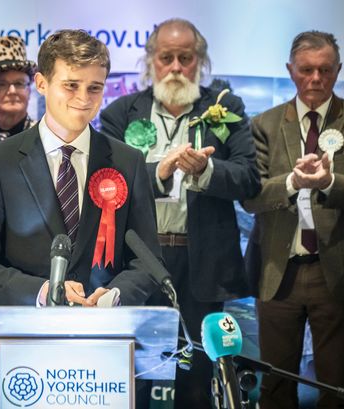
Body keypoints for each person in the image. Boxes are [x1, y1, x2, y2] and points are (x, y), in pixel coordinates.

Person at [0, 29, 164, 407]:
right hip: (24, 347)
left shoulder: (129, 162)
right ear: (41, 82)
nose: (84, 100)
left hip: (107, 349)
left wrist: (116, 294)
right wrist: (40, 292)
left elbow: (147, 261)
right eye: (71, 85)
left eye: (95, 88)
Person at [100, 18, 260, 408]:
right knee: (129, 377)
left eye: (185, 58)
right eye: (166, 57)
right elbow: (104, 182)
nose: (175, 67)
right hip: (137, 262)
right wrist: (159, 172)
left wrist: (206, 170)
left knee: (196, 382)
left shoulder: (226, 107)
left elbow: (249, 178)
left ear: (200, 61)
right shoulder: (120, 113)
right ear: (150, 61)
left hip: (201, 261)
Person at [243, 30, 344, 409]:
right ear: (290, 71)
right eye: (307, 70)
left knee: (338, 389)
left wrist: (329, 181)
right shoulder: (264, 124)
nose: (316, 79)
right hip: (280, 269)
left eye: (325, 70)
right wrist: (293, 181)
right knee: (276, 386)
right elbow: (251, 197)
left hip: (339, 270)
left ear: (339, 71)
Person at [0, 35, 37, 146]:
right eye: (1, 84)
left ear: (29, 90)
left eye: (19, 83)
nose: (12, 91)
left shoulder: (45, 139)